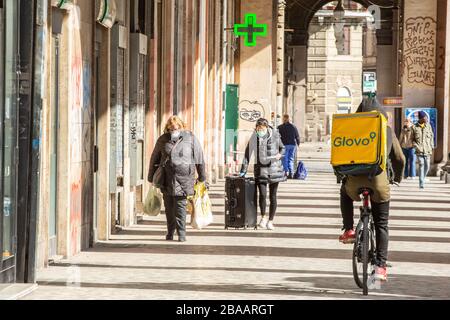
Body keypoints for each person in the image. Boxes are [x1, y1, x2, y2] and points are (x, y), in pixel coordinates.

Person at [338, 98, 405, 281]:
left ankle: (349, 229)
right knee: (381, 224)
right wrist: (396, 178)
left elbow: (340, 153)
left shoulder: (351, 128)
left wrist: (341, 177)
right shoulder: (387, 130)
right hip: (378, 182)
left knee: (344, 192)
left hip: (353, 182)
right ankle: (381, 267)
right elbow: (399, 159)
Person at [148, 116, 206, 242]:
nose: (174, 129)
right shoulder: (163, 139)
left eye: (177, 127)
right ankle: (170, 232)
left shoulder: (190, 138)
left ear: (182, 126)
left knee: (180, 206)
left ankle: (181, 233)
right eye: (171, 127)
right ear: (167, 128)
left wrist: (202, 177)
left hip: (185, 178)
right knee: (169, 207)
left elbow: (199, 157)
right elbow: (154, 158)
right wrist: (151, 176)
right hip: (166, 178)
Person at [240, 118, 287, 230]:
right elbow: (247, 154)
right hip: (260, 170)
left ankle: (271, 221)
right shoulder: (254, 137)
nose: (259, 130)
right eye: (258, 128)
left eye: (262, 129)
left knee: (273, 196)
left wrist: (280, 155)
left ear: (266, 128)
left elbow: (283, 148)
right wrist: (243, 170)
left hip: (274, 170)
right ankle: (263, 217)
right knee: (262, 195)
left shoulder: (275, 135)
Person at [412, 111, 435, 189]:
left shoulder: (428, 126)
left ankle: (423, 177)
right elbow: (412, 140)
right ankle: (421, 183)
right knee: (421, 165)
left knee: (427, 166)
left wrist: (431, 146)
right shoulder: (414, 127)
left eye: (426, 117)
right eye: (425, 117)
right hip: (419, 150)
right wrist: (416, 146)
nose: (426, 119)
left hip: (427, 150)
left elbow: (431, 136)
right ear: (421, 118)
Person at [278, 114, 301, 179]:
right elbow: (297, 136)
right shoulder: (293, 127)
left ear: (283, 119)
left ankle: (286, 172)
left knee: (284, 159)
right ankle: (291, 172)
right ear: (288, 119)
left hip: (284, 145)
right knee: (291, 159)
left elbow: (276, 137)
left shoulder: (280, 127)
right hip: (292, 145)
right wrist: (298, 144)